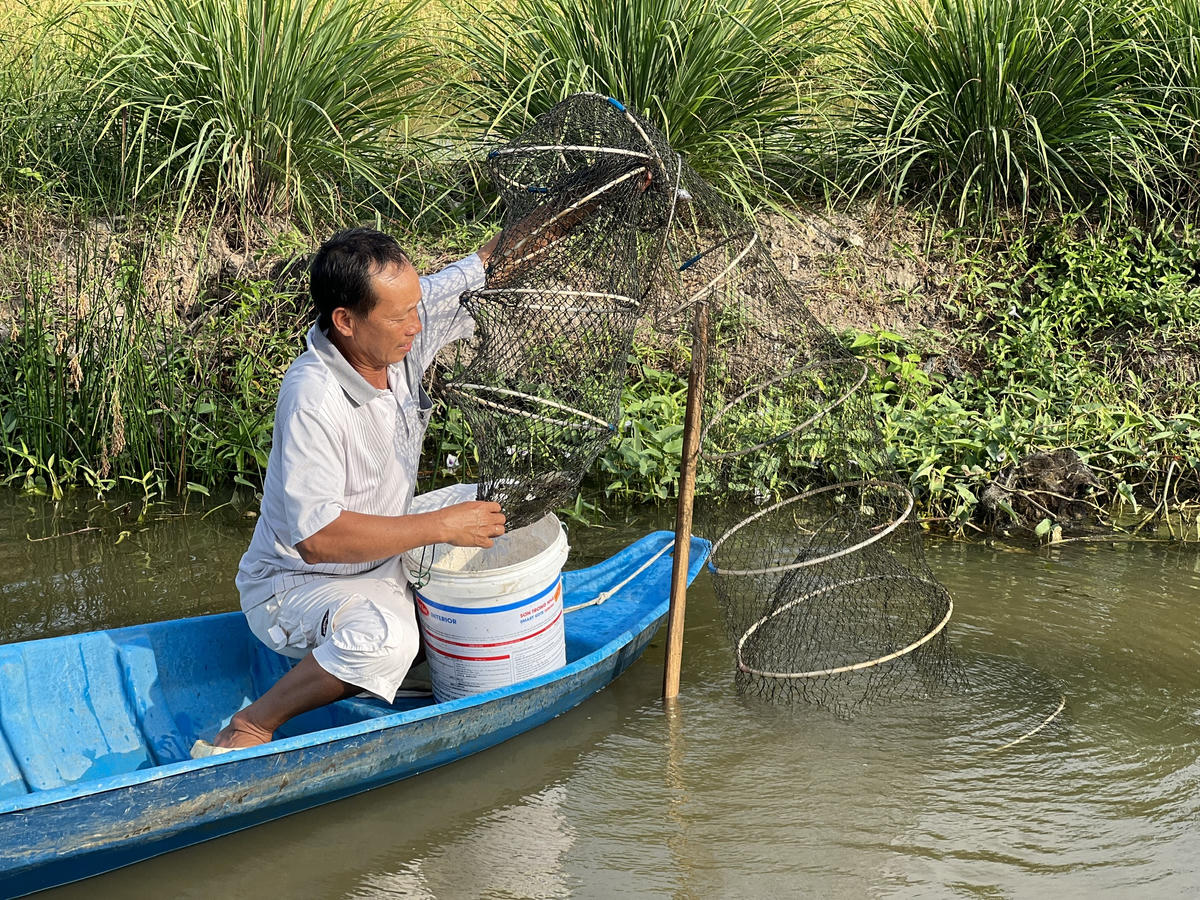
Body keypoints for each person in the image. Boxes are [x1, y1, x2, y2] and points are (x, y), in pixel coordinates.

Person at [194, 228, 506, 753]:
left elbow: (491, 260)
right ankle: (250, 724)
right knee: (388, 639)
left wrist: (587, 200)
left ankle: (405, 663)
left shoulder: (400, 331)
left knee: (500, 502)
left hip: (379, 559)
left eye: (418, 307)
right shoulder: (312, 396)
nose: (418, 325)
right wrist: (441, 527)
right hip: (296, 582)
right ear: (345, 320)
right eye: (400, 316)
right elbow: (318, 540)